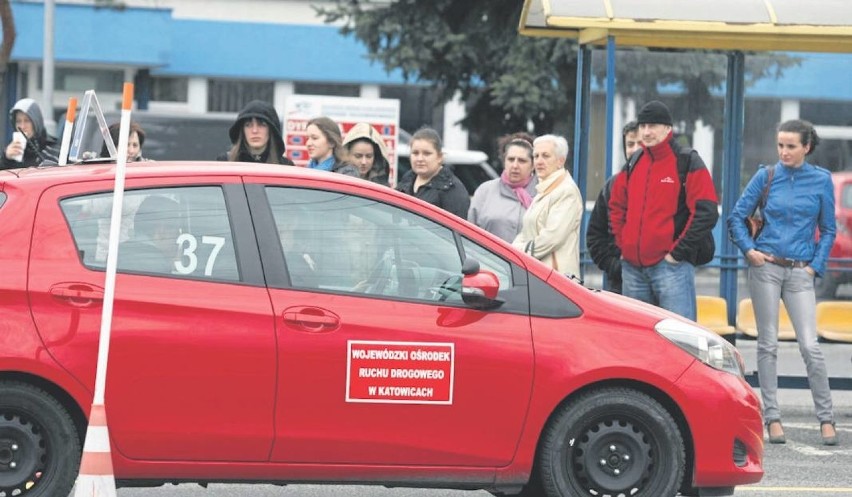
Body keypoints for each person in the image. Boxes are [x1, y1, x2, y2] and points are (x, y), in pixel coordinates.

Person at [727, 119, 837, 446]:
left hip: (801, 271)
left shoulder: (821, 181)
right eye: (780, 146)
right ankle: (772, 417)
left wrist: (814, 268)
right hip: (766, 267)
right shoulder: (766, 176)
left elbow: (829, 229)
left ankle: (826, 418)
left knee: (810, 345)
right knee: (768, 344)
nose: (784, 152)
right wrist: (750, 251)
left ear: (807, 147)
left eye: (791, 146)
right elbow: (736, 216)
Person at [609, 101, 718, 320]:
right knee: (639, 339)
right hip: (632, 269)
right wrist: (624, 246)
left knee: (680, 340)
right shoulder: (635, 161)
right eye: (643, 126)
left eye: (653, 126)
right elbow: (616, 205)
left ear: (668, 129)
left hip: (671, 268)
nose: (646, 132)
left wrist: (677, 253)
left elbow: (706, 211)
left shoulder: (687, 160)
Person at [512, 134, 583, 277]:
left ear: (560, 161)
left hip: (557, 279)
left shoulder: (566, 191)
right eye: (536, 156)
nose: (539, 161)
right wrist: (511, 250)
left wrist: (517, 252)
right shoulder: (544, 189)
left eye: (545, 156)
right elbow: (526, 231)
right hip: (540, 275)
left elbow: (551, 238)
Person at [586, 121, 641, 293]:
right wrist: (615, 267)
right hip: (618, 285)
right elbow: (595, 236)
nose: (635, 149)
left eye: (640, 143)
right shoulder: (612, 185)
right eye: (630, 144)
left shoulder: (667, 183)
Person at [468, 132, 537, 242]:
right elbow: (469, 234)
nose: (515, 166)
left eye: (522, 161)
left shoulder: (543, 194)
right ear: (504, 161)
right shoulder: (485, 191)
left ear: (533, 165)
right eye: (511, 159)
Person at [396, 127, 470, 219]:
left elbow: (457, 229)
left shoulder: (452, 190)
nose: (420, 159)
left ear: (440, 157)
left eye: (426, 154)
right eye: (415, 153)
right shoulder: (406, 181)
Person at [118, 195, 181, 275]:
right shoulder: (157, 266)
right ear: (161, 232)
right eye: (175, 228)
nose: (178, 235)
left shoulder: (118, 253)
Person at [217, 100, 294, 165]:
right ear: (242, 131)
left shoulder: (286, 167)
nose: (254, 131)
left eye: (261, 125)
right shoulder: (225, 163)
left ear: (271, 130)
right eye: (248, 125)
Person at [1, 98, 59, 169]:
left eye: (27, 121)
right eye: (18, 121)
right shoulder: (11, 149)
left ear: (36, 122)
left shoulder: (53, 149)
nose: (22, 126)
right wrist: (6, 159)